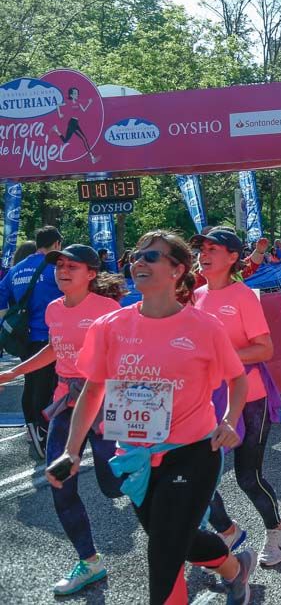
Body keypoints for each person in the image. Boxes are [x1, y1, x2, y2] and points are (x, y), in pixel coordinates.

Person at [53, 231, 256, 604]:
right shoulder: (110, 327)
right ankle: (234, 569)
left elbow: (238, 379)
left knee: (163, 551)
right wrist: (72, 450)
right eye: (136, 256)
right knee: (176, 538)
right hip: (135, 455)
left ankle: (228, 573)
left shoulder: (203, 326)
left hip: (193, 451)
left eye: (151, 257)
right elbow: (93, 390)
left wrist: (229, 420)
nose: (138, 263)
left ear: (177, 269)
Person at [0, 245, 125, 596]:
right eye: (60, 266)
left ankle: (191, 508)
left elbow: (125, 356)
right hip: (66, 402)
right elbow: (55, 349)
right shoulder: (55, 309)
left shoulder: (108, 310)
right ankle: (89, 561)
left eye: (73, 266)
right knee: (59, 480)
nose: (63, 271)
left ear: (91, 274)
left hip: (103, 401)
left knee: (113, 485)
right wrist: (14, 373)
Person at [190, 227, 281, 567]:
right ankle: (227, 529)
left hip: (251, 397)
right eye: (201, 248)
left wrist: (221, 354)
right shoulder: (195, 295)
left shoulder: (244, 296)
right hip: (209, 398)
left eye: (212, 249)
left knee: (248, 476)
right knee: (197, 473)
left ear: (232, 257)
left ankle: (276, 529)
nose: (204, 254)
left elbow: (265, 348)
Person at [0, 226, 64, 459]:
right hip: (50, 339)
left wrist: (12, 324)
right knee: (48, 386)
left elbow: (1, 300)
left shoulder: (16, 269)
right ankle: (42, 431)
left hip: (24, 338)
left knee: (31, 382)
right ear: (57, 244)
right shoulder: (56, 267)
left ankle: (31, 427)